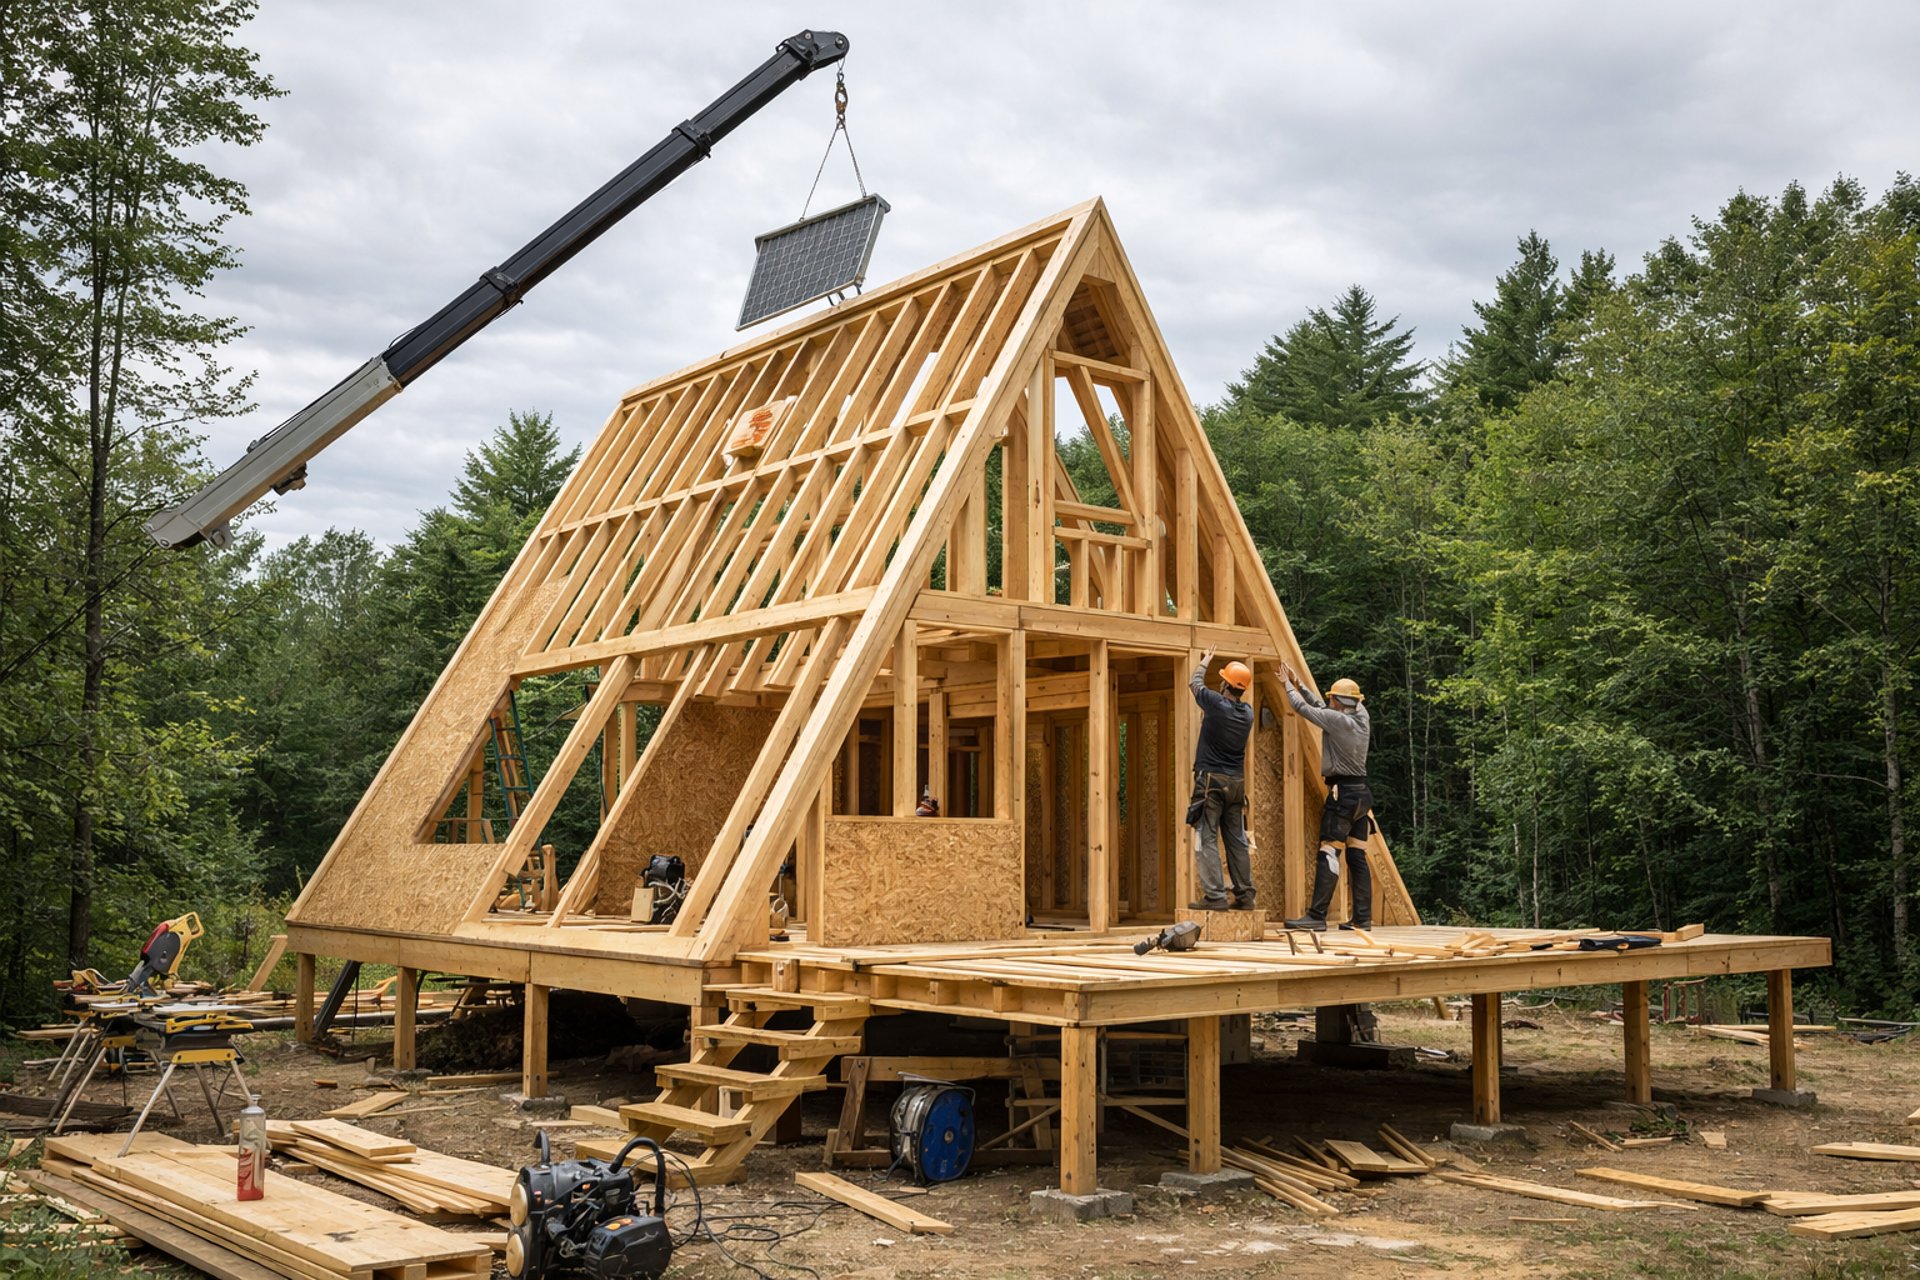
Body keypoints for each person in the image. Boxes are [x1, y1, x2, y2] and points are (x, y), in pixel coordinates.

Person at [1280, 665, 1373, 932]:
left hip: (1342, 794)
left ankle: (1316, 916)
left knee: (1329, 851)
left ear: (1338, 702)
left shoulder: (1338, 721)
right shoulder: (1361, 715)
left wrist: (1287, 684)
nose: (1329, 701)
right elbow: (1322, 707)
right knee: (1356, 855)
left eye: (1332, 698)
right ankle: (1362, 919)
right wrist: (1300, 684)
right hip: (1361, 795)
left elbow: (1304, 708)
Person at [1185, 647, 1256, 911]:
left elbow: (1194, 683)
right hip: (1236, 784)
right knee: (1236, 840)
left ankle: (1215, 896)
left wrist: (1205, 661)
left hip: (1211, 782)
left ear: (1226, 684)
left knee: (1206, 837)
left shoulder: (1216, 704)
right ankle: (1245, 896)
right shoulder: (1247, 713)